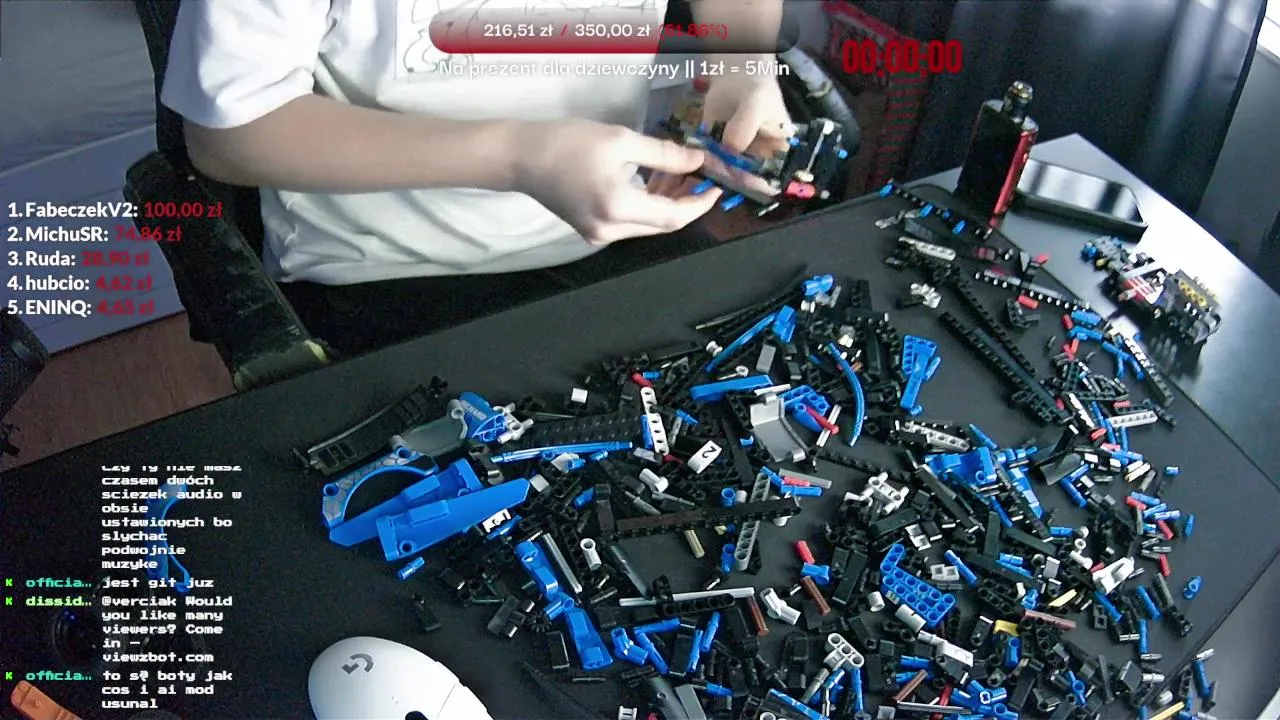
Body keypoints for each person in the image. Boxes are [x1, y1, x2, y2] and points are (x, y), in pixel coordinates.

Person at [161, 0, 791, 355]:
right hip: (382, 269)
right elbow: (226, 135)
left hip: (616, 226)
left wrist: (744, 60)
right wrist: (516, 158)